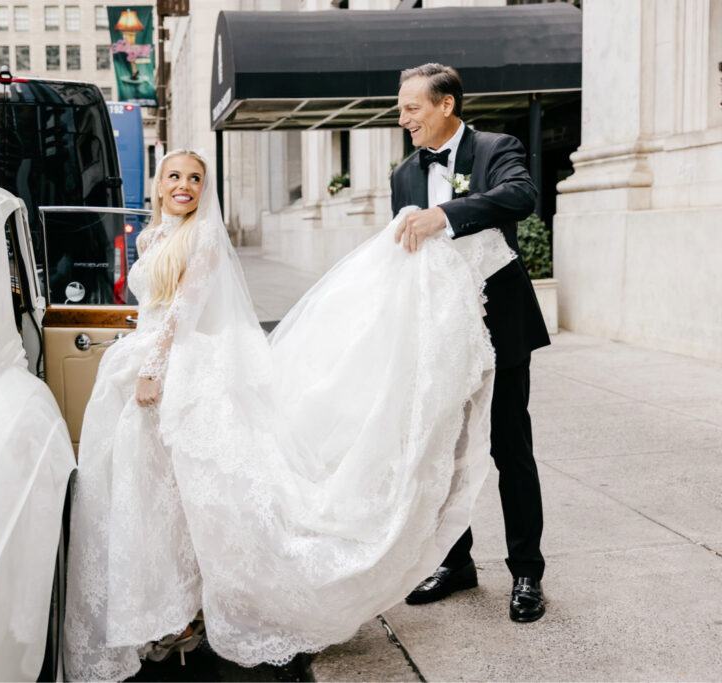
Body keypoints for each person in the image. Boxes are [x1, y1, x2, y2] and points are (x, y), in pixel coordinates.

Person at [64, 147, 518, 681]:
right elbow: (154, 307)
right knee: (159, 495)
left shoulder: (204, 236)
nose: (184, 185)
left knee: (209, 497)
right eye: (175, 177)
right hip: (145, 360)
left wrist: (153, 369)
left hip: (181, 369)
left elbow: (186, 308)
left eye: (195, 178)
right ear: (159, 186)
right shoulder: (148, 237)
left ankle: (210, 606)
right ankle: (174, 607)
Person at [389, 63, 551, 622]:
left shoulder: (495, 148)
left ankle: (527, 571)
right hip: (441, 334)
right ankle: (456, 563)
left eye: (412, 107)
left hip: (501, 324)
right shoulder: (403, 175)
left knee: (510, 447)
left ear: (445, 106)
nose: (403, 117)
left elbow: (521, 196)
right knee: (447, 451)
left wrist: (446, 214)